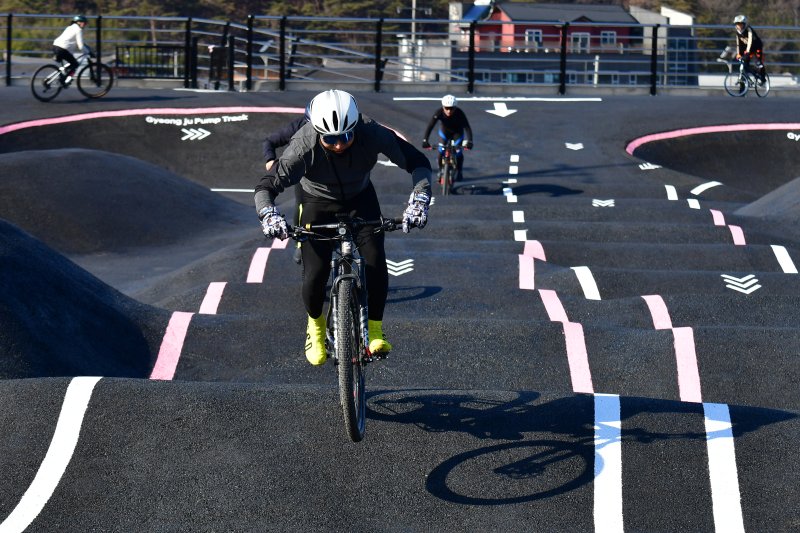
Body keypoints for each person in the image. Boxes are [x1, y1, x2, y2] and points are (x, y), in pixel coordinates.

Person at [255, 89, 432, 366]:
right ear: (317, 132)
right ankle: (315, 327)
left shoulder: (371, 130)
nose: (339, 145)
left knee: (374, 261)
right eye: (331, 139)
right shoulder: (303, 145)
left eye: (346, 137)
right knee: (315, 272)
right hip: (316, 201)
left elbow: (417, 162)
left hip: (360, 198)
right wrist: (268, 214)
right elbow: (266, 186)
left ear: (355, 127)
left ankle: (375, 330)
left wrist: (420, 197)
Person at [262, 110, 309, 264]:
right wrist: (270, 159)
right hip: (307, 176)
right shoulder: (299, 125)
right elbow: (269, 141)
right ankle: (300, 243)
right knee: (302, 207)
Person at [422, 95, 473, 182]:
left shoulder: (459, 113)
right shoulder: (439, 112)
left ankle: (459, 171)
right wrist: (425, 140)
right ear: (443, 107)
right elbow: (430, 126)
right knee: (441, 150)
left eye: (451, 108)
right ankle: (440, 170)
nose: (449, 111)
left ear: (455, 108)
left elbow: (467, 127)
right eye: (446, 108)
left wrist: (470, 141)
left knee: (458, 152)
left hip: (457, 133)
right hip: (445, 132)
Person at [53, 15, 88, 86]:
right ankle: (64, 80)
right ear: (78, 22)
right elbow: (80, 46)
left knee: (67, 65)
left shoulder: (69, 27)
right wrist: (87, 52)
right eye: (84, 23)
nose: (84, 25)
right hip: (62, 49)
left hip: (55, 46)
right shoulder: (78, 30)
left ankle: (64, 78)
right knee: (75, 64)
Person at [733, 15, 766, 85]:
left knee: (759, 63)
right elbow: (738, 44)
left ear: (744, 24)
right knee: (744, 65)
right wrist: (738, 53)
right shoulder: (737, 32)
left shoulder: (749, 30)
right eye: (737, 24)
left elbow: (750, 41)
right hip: (747, 49)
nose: (739, 26)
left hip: (756, 47)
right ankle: (744, 84)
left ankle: (763, 79)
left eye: (741, 24)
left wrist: (747, 52)